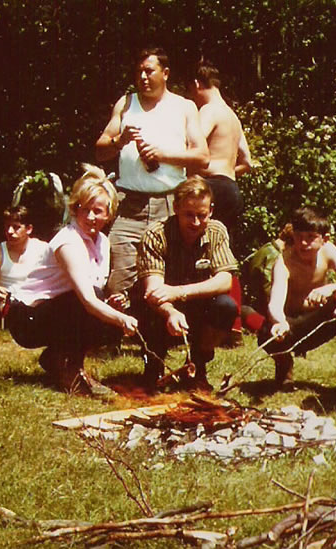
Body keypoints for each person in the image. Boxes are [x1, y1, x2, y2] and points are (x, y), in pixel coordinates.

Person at [6, 165, 138, 395]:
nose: (90, 217)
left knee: (108, 316)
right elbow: (88, 300)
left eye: (97, 211)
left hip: (59, 309)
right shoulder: (68, 242)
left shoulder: (103, 242)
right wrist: (121, 318)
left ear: (109, 214)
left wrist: (114, 307)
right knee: (96, 306)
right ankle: (70, 369)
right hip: (26, 317)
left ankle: (59, 359)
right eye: (84, 210)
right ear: (75, 209)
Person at [95, 46, 210, 296]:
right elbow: (100, 151)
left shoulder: (184, 107)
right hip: (128, 205)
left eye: (149, 71)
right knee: (119, 282)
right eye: (139, 72)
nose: (143, 77)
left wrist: (162, 155)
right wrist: (119, 141)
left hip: (170, 204)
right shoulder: (126, 103)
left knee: (168, 279)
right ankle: (122, 320)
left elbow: (202, 157)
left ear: (165, 73)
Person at [137, 176, 238, 391]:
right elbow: (153, 290)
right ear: (176, 208)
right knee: (145, 306)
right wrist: (171, 312)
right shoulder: (155, 235)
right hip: (159, 307)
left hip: (195, 302)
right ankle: (154, 365)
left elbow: (225, 280)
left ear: (211, 210)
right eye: (188, 215)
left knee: (226, 307)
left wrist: (179, 292)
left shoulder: (217, 231)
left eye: (201, 215)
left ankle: (197, 366)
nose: (195, 222)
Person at [258, 208, 336, 392]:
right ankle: (284, 366)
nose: (303, 243)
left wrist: (330, 288)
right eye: (299, 236)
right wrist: (279, 322)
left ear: (324, 239)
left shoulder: (328, 251)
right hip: (291, 327)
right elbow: (275, 302)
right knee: (266, 332)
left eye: (310, 237)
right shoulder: (284, 262)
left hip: (320, 320)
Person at [190, 60, 253, 345]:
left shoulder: (208, 110)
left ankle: (219, 321)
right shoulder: (232, 116)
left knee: (204, 254)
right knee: (224, 255)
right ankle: (234, 326)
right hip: (231, 187)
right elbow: (247, 161)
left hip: (211, 186)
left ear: (196, 84)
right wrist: (226, 170)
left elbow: (196, 148)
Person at [0, 206, 49, 328]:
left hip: (34, 301)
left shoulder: (43, 249)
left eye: (16, 227)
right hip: (6, 303)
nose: (10, 231)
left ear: (29, 229)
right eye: (7, 227)